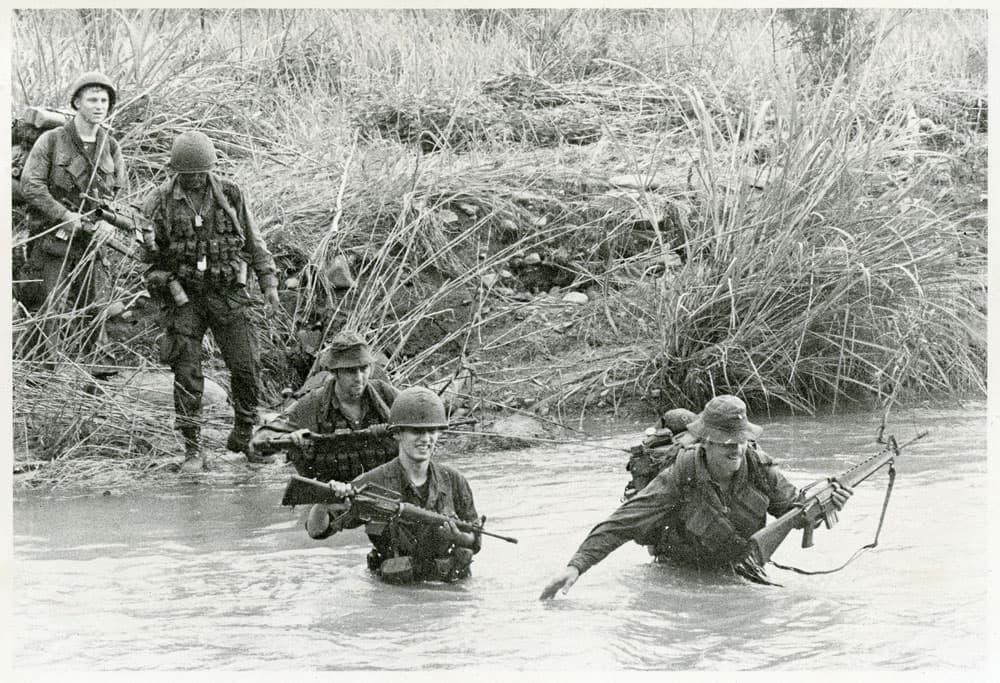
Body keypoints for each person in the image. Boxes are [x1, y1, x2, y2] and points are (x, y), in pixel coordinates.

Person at [540, 394, 853, 599]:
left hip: (740, 567)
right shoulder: (680, 474)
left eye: (740, 440)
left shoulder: (758, 465)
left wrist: (826, 504)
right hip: (681, 572)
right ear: (706, 442)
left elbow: (795, 510)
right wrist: (576, 566)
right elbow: (621, 523)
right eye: (725, 442)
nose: (736, 448)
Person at [141, 130, 281, 473]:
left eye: (200, 173)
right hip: (184, 298)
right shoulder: (158, 201)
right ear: (175, 172)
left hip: (227, 293)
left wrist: (269, 283)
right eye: (186, 175)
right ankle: (192, 449)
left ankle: (244, 435)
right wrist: (148, 246)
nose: (194, 179)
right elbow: (146, 255)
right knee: (187, 373)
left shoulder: (230, 194)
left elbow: (252, 240)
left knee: (247, 366)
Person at [304, 387, 481, 584]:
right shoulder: (372, 482)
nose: (425, 438)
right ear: (397, 434)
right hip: (396, 593)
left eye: (432, 431)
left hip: (449, 591)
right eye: (416, 431)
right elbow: (317, 531)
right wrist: (324, 502)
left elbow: (476, 539)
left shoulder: (453, 480)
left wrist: (458, 537)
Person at [18, 71, 126, 358]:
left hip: (91, 242)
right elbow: (31, 185)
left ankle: (94, 377)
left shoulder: (110, 146)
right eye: (92, 99)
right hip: (53, 241)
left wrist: (108, 222)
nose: (99, 105)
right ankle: (40, 373)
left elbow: (116, 192)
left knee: (95, 309)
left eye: (104, 100)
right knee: (47, 309)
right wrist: (64, 214)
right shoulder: (52, 141)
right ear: (77, 102)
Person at [249, 331, 400, 470]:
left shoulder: (386, 396)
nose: (359, 378)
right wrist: (288, 438)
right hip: (329, 489)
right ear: (335, 372)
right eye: (350, 371)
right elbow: (259, 441)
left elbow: (422, 415)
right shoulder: (312, 405)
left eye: (363, 369)